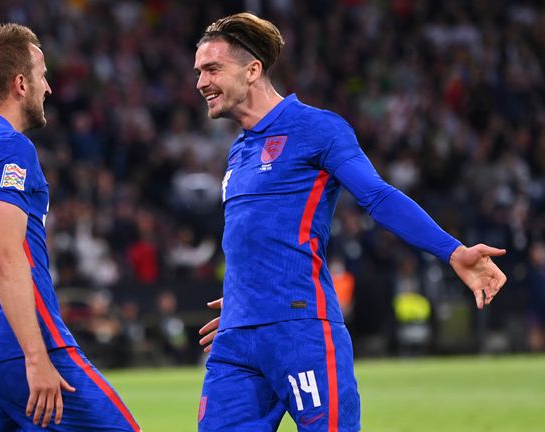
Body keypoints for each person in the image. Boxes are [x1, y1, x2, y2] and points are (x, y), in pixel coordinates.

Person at [193, 12, 507, 432]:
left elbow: (378, 196)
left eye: (212, 68)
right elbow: (256, 237)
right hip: (236, 340)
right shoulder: (238, 150)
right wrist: (243, 303)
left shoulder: (317, 128)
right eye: (198, 71)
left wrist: (452, 251)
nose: (200, 82)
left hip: (300, 330)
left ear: (252, 70)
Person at [0, 23, 140, 432]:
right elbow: (5, 256)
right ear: (21, 84)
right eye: (42, 75)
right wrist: (36, 358)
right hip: (24, 349)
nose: (49, 87)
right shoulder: (9, 147)